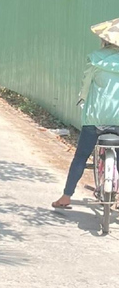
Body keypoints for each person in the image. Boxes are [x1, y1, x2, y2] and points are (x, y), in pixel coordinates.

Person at [52, 17, 119, 209]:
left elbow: (85, 85)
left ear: (105, 39)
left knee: (81, 156)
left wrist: (81, 99)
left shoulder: (96, 58)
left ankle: (66, 196)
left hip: (95, 118)